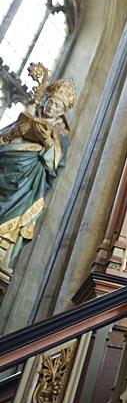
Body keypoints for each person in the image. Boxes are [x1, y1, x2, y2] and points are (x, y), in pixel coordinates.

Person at [0, 76, 76, 265]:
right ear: (45, 100)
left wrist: (49, 142)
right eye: (51, 102)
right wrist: (14, 133)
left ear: (63, 111)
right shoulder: (30, 114)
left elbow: (55, 166)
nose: (52, 107)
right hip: (6, 164)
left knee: (12, 216)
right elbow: (3, 138)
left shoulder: (61, 133)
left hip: (27, 182)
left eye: (58, 106)